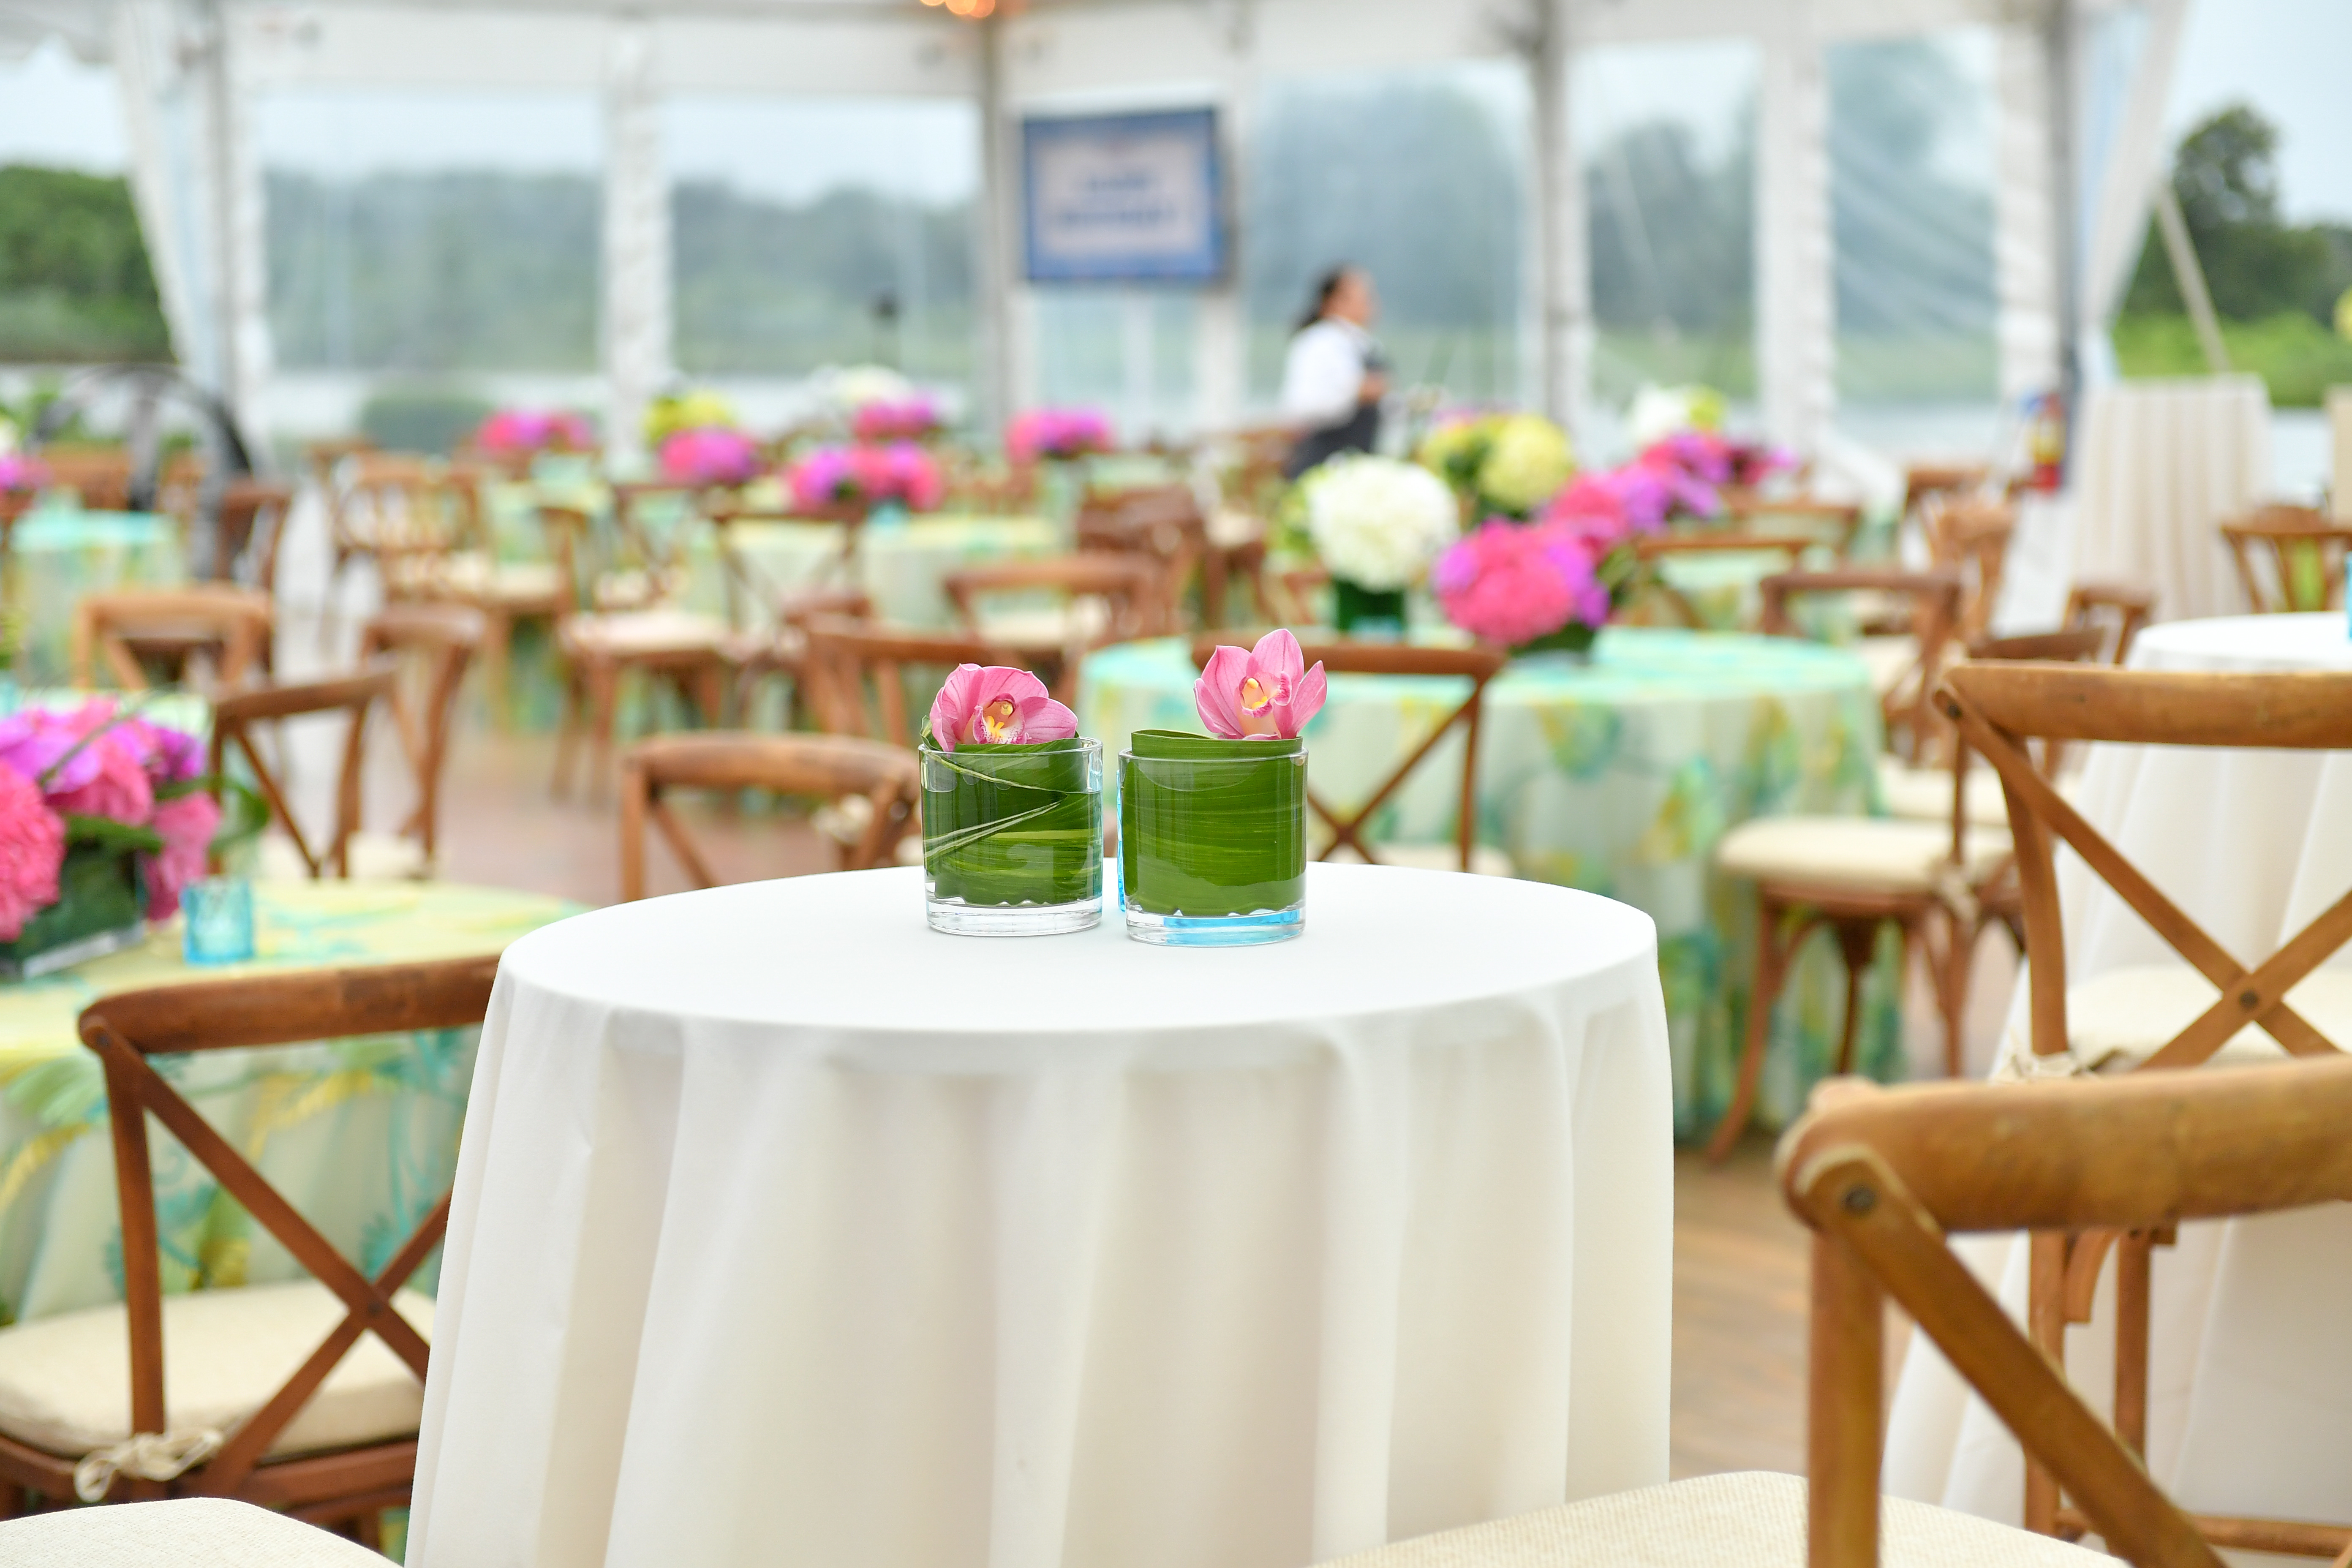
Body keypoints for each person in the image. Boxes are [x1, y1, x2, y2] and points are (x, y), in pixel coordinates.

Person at [1279, 265, 1389, 479]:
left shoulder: (1365, 343)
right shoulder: (1318, 341)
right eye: (1363, 297)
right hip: (1323, 462)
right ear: (1335, 302)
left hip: (1360, 459)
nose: (1371, 304)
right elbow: (1300, 405)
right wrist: (1356, 391)